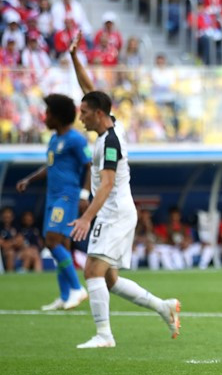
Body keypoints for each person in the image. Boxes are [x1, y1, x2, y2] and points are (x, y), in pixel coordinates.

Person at [68, 40, 180, 349]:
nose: (81, 118)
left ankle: (104, 335)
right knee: (108, 279)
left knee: (92, 269)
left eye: (85, 113)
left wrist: (86, 217)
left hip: (112, 212)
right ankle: (163, 306)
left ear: (99, 114)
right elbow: (90, 91)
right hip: (114, 211)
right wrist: (75, 58)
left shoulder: (111, 143)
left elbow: (106, 184)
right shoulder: (110, 125)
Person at [16, 93, 90, 310]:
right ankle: (65, 295)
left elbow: (89, 165)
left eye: (47, 113)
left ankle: (77, 288)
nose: (44, 117)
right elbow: (50, 167)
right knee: (63, 245)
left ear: (57, 116)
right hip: (53, 197)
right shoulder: (54, 139)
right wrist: (28, 180)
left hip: (67, 196)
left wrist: (84, 195)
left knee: (52, 241)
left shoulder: (76, 139)